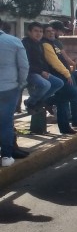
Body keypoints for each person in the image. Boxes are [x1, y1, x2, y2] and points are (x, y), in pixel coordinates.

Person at [41, 26, 77, 134]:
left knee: (62, 101)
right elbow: (54, 62)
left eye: (52, 30)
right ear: (44, 34)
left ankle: (65, 128)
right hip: (58, 75)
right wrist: (67, 74)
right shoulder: (45, 44)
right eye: (47, 31)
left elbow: (63, 58)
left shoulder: (54, 43)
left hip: (63, 74)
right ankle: (45, 101)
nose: (51, 33)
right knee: (74, 95)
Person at [0, 20, 29, 167]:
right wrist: (22, 83)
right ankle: (6, 156)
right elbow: (24, 66)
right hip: (8, 88)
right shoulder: (14, 41)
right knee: (5, 123)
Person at [22, 22, 65, 113]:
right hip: (29, 72)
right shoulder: (25, 44)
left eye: (41, 31)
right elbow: (25, 63)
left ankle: (37, 101)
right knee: (45, 85)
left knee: (59, 83)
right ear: (29, 32)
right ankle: (30, 103)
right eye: (36, 31)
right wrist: (41, 72)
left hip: (40, 72)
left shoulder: (39, 43)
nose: (39, 34)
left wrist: (46, 71)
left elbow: (43, 61)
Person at [49, 21, 77, 107]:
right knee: (74, 94)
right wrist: (73, 64)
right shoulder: (56, 42)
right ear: (54, 30)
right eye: (61, 31)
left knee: (76, 74)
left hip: (60, 71)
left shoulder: (52, 41)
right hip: (60, 72)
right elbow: (65, 58)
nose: (62, 33)